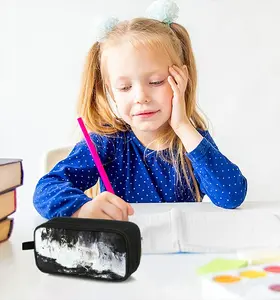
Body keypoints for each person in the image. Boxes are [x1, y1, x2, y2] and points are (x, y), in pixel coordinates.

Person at [33, 0, 247, 220]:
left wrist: (183, 126)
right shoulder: (107, 142)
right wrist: (82, 209)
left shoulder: (192, 141)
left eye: (155, 82)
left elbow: (231, 196)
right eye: (125, 87)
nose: (141, 97)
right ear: (111, 91)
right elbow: (45, 190)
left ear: (181, 80)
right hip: (125, 248)